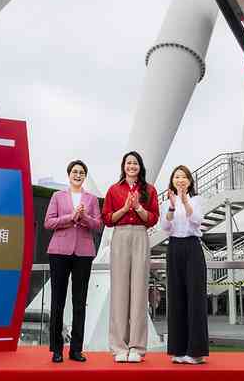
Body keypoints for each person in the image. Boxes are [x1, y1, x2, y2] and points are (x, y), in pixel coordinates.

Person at [102, 151, 159, 363]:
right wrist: (125, 208)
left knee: (139, 291)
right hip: (120, 234)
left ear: (140, 166)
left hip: (140, 235)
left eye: (135, 163)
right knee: (119, 291)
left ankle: (137, 347)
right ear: (123, 166)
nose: (132, 166)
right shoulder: (114, 190)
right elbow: (107, 218)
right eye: (128, 163)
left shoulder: (149, 190)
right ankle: (119, 347)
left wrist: (137, 208)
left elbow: (153, 218)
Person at [43, 159, 102, 363]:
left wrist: (84, 217)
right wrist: (71, 217)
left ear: (85, 176)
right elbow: (48, 222)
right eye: (75, 172)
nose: (78, 175)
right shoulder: (57, 196)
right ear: (69, 175)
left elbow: (97, 224)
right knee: (57, 301)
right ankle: (56, 349)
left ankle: (76, 349)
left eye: (82, 172)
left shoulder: (92, 199)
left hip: (83, 253)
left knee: (79, 302)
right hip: (59, 252)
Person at [160, 164, 209, 364]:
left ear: (189, 181)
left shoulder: (197, 200)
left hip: (192, 247)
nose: (180, 180)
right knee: (176, 296)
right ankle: (178, 350)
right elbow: (165, 226)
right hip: (174, 247)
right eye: (177, 177)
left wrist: (185, 201)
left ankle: (195, 352)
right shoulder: (167, 202)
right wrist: (172, 206)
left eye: (184, 177)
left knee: (195, 297)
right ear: (172, 181)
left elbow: (197, 221)